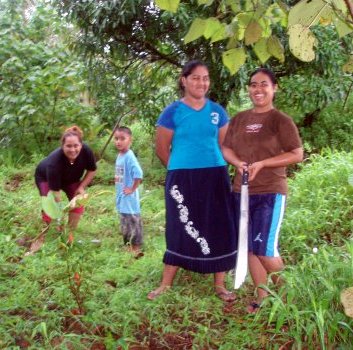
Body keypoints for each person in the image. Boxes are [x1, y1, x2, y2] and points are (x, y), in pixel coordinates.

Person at [148, 60, 237, 301]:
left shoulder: (218, 112)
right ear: (184, 80)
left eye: (205, 78)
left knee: (219, 226)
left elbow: (223, 147)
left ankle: (220, 284)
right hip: (182, 178)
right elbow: (161, 149)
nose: (202, 82)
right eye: (196, 77)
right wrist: (180, 170)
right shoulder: (172, 112)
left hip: (216, 177)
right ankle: (166, 284)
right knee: (179, 226)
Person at [222, 68, 303, 313]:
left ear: (274, 88)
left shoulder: (280, 120)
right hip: (242, 192)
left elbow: (297, 154)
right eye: (253, 85)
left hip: (270, 192)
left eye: (264, 84)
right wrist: (237, 162)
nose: (258, 90)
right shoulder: (239, 119)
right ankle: (263, 298)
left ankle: (293, 300)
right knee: (249, 248)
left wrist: (264, 163)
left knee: (265, 250)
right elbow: (225, 148)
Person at [35, 125, 97, 230]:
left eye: (76, 145)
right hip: (45, 177)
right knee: (51, 205)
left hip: (70, 178)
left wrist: (81, 187)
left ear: (81, 145)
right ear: (62, 146)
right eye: (68, 146)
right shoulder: (54, 162)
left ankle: (70, 230)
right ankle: (52, 228)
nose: (73, 149)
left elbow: (92, 170)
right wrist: (59, 215)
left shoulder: (86, 152)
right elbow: (55, 195)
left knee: (78, 201)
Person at [113, 126, 144, 256]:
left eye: (122, 139)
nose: (118, 142)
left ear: (130, 140)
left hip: (129, 198)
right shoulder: (120, 155)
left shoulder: (129, 156)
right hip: (122, 196)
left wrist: (132, 188)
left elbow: (139, 174)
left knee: (133, 221)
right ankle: (128, 246)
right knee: (125, 222)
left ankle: (136, 247)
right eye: (116, 138)